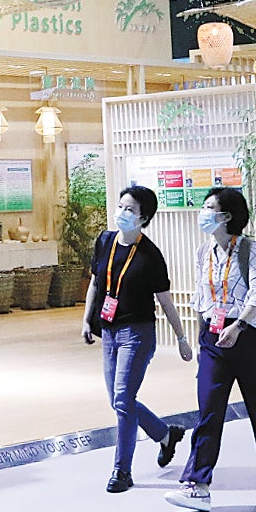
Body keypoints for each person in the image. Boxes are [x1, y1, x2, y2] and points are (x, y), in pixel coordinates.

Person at [166, 187, 256, 512]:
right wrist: (201, 337)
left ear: (228, 216)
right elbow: (202, 297)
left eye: (211, 208)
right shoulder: (203, 253)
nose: (204, 213)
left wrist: (237, 327)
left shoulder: (251, 250)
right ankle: (197, 484)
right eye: (205, 207)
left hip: (249, 336)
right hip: (214, 339)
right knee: (209, 411)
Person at [82, 185, 191, 493]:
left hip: (137, 334)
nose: (123, 213)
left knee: (123, 401)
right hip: (108, 331)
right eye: (121, 207)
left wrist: (182, 338)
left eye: (130, 210)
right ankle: (166, 435)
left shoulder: (149, 255)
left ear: (144, 218)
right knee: (120, 401)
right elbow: (95, 283)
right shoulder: (105, 241)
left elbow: (166, 301)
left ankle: (122, 471)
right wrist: (86, 320)